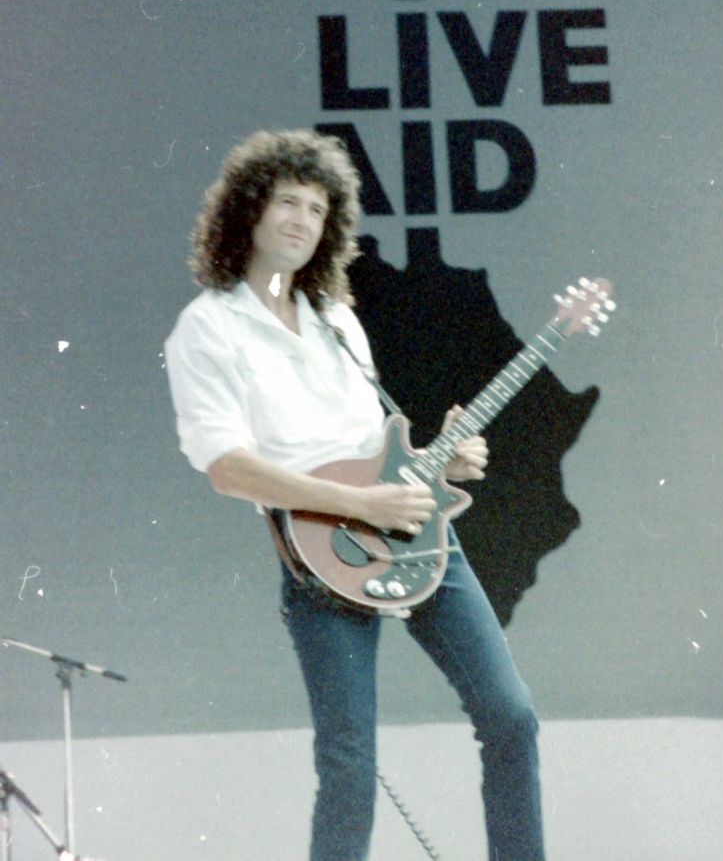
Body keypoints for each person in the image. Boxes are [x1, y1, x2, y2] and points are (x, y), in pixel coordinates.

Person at [164, 129, 546, 861]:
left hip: (415, 530)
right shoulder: (207, 329)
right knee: (350, 770)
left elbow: (375, 446)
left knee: (513, 717)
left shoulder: (338, 321)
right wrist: (358, 507)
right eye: (287, 201)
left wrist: (441, 463)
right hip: (320, 554)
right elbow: (225, 465)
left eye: (317, 207)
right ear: (248, 212)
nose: (303, 219)